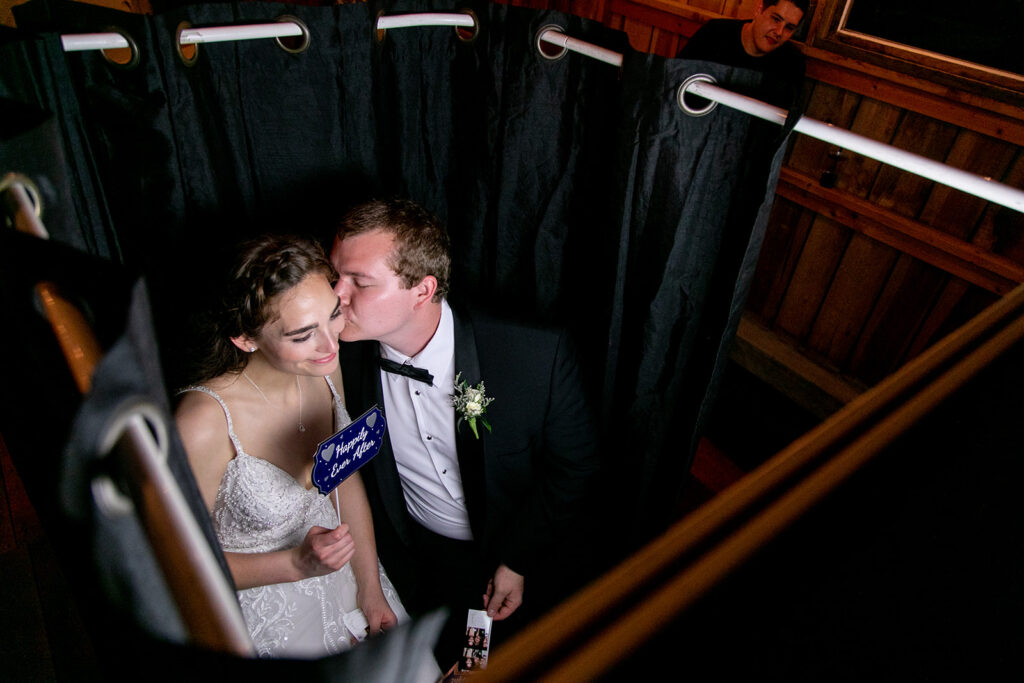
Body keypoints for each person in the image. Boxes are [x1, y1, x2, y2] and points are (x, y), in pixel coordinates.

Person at [330, 199, 600, 663]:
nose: (336, 294)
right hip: (416, 560)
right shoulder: (336, 356)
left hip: (518, 549)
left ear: (422, 289)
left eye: (360, 281)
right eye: (335, 274)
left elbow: (575, 469)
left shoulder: (535, 355)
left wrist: (517, 558)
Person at [175, 235, 414, 660]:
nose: (331, 345)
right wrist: (295, 565)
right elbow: (178, 564)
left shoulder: (323, 370)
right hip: (263, 615)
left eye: (334, 316)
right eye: (303, 334)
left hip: (349, 577)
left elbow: (343, 481)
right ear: (245, 339)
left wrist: (370, 589)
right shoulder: (202, 423)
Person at [678, 0, 809, 109]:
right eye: (776, 19)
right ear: (759, 9)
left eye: (789, 28)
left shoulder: (793, 64)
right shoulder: (714, 33)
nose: (779, 32)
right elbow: (673, 81)